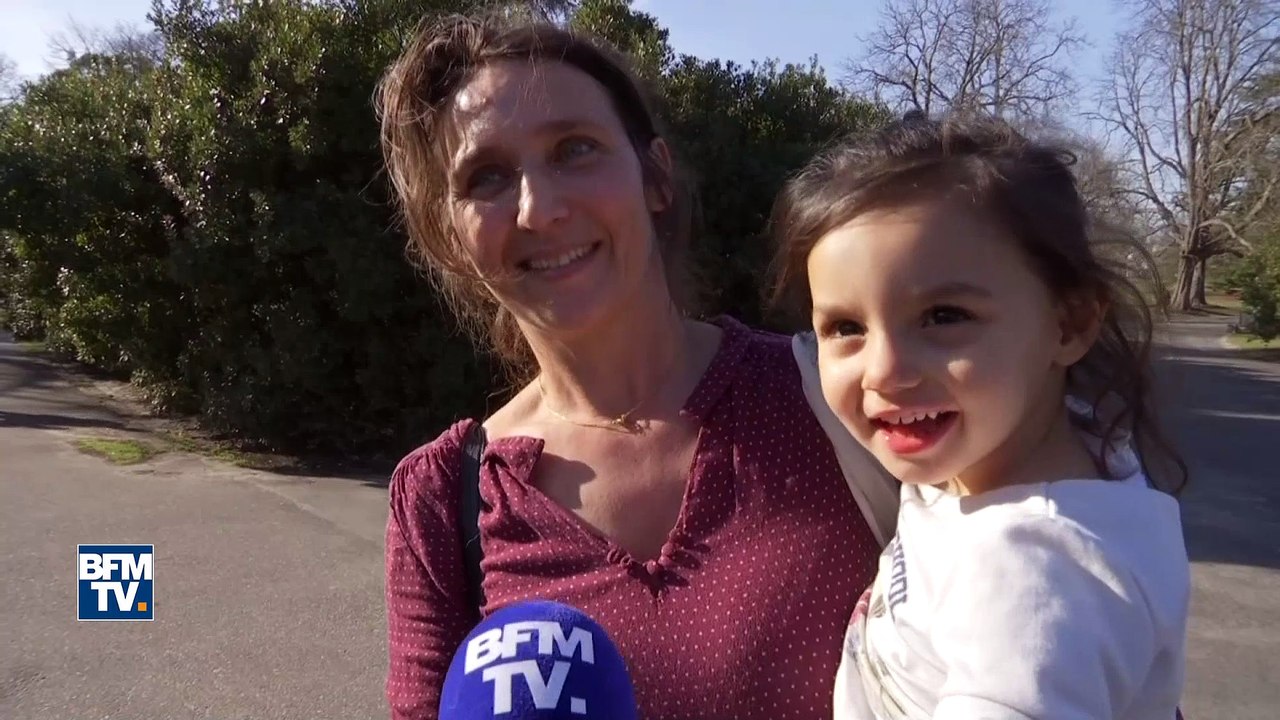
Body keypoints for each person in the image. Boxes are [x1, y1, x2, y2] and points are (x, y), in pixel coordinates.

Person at [375, 12, 895, 720]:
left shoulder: (837, 397)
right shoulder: (442, 498)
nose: (540, 208)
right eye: (486, 177)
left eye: (575, 149)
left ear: (655, 177)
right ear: (450, 235)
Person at [770, 113, 1191, 719]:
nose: (883, 372)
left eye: (944, 316)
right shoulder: (1017, 445)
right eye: (846, 328)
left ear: (1068, 324)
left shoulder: (1035, 582)